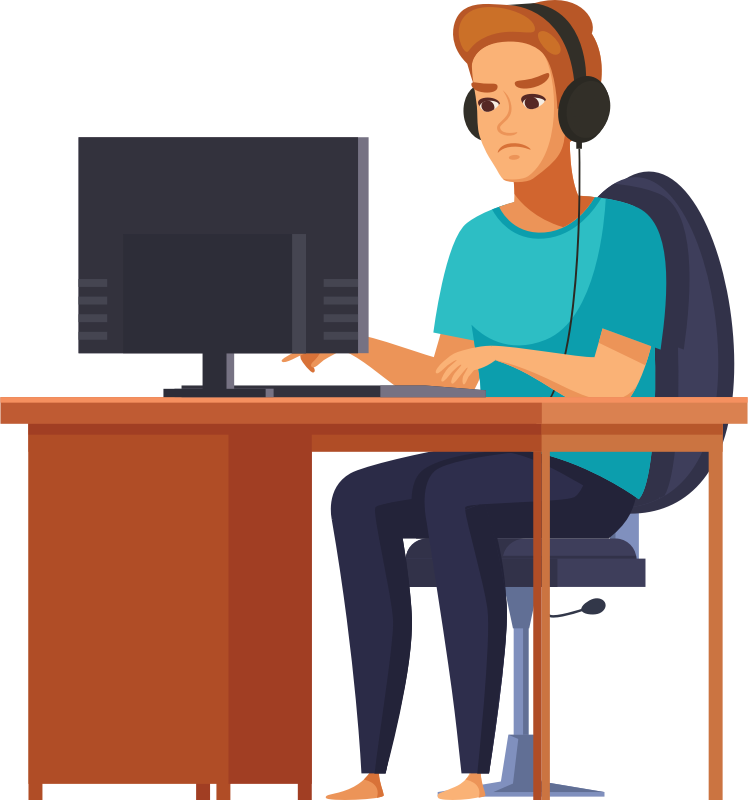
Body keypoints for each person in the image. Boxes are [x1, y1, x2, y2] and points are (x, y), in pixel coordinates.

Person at [284, 3, 665, 798]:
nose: (504, 124)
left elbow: (613, 380)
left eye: (529, 98)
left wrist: (502, 355)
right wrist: (355, 345)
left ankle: (472, 768)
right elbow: (445, 372)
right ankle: (372, 769)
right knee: (359, 497)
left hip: (591, 473)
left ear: (578, 109)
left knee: (452, 494)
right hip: (502, 457)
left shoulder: (626, 234)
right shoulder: (475, 239)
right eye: (487, 102)